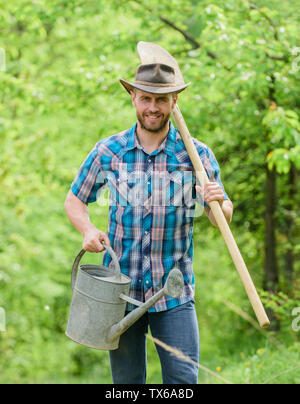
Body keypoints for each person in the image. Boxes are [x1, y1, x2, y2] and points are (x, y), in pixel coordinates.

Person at [64, 62, 233, 384]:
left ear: (174, 102)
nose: (152, 108)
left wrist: (219, 202)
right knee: (127, 384)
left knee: (183, 381)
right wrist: (87, 229)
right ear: (133, 98)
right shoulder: (108, 151)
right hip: (120, 292)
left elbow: (219, 218)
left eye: (161, 100)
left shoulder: (194, 155)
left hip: (174, 290)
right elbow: (74, 200)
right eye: (145, 99)